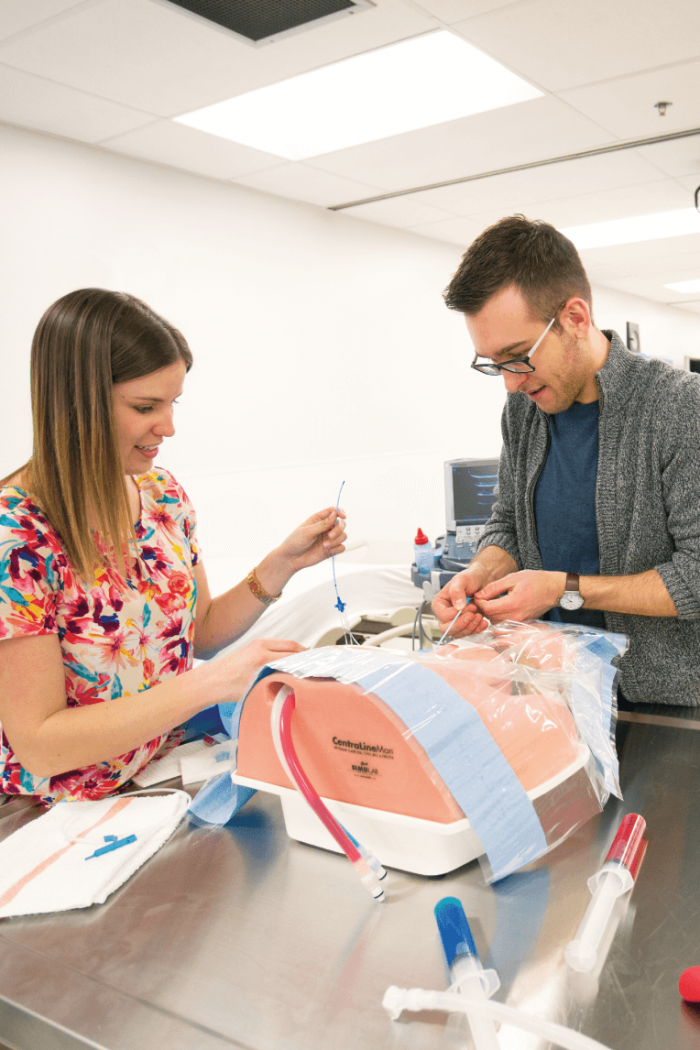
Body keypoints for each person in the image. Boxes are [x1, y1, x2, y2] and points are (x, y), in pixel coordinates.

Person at [0, 288, 347, 803]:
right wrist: (207, 686)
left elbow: (201, 632)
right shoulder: (19, 534)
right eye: (146, 406)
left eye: (172, 402)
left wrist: (282, 565)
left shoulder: (161, 495)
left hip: (153, 773)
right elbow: (41, 746)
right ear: (78, 403)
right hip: (58, 809)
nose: (168, 427)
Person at [433, 215, 700, 706]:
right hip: (552, 691)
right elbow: (508, 522)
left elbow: (697, 575)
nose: (511, 382)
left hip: (661, 708)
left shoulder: (679, 408)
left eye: (517, 355)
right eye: (494, 364)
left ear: (575, 318)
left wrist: (564, 589)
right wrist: (481, 573)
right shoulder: (523, 409)